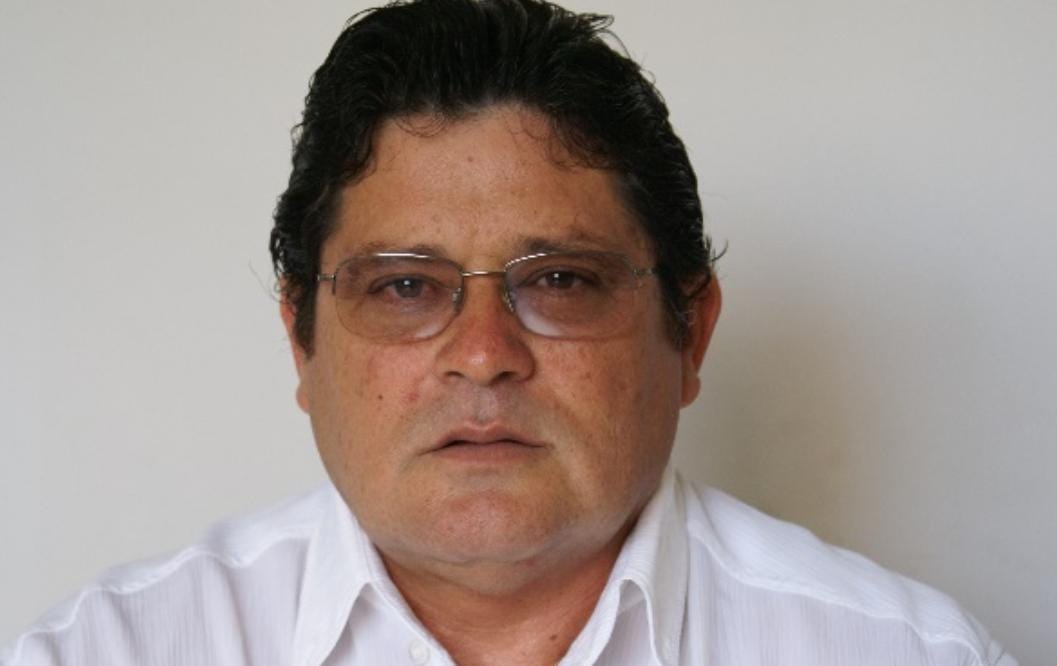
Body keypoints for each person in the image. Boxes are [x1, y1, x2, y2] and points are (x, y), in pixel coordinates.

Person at [1, 1, 1017, 664]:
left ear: (691, 332)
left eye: (560, 281)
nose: (484, 354)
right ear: (301, 342)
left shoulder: (903, 654)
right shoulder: (110, 651)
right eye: (405, 287)